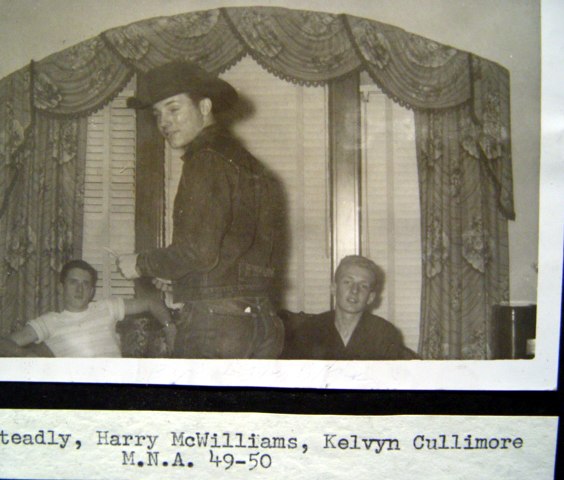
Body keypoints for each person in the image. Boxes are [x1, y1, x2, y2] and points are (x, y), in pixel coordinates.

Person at [118, 61, 284, 359]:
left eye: (173, 109)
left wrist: (140, 264)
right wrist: (183, 278)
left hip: (217, 326)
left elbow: (200, 253)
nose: (164, 122)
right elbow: (233, 253)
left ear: (204, 107)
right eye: (157, 114)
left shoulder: (205, 159)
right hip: (261, 321)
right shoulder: (247, 162)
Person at [0, 260, 175, 358]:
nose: (79, 290)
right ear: (61, 288)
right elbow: (0, 346)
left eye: (85, 284)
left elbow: (151, 302)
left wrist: (170, 328)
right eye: (73, 283)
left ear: (92, 291)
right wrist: (26, 355)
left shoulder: (107, 307)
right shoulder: (49, 322)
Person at [281, 255, 417, 360]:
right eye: (347, 282)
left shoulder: (384, 333)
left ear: (370, 297)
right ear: (334, 288)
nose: (354, 290)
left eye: (363, 286)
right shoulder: (308, 330)